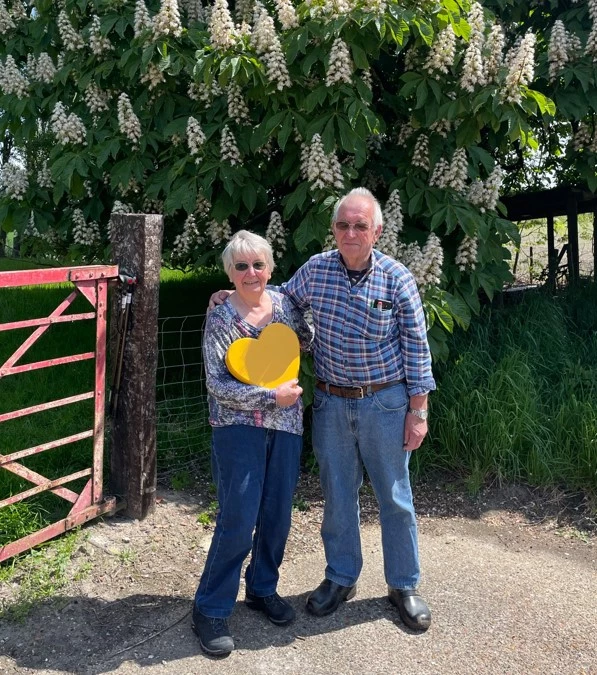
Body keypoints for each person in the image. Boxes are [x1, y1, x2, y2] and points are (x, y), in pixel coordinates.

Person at [210, 188, 436, 632]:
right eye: (342, 225)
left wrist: (419, 409)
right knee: (337, 495)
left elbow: (417, 347)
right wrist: (232, 291)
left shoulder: (397, 278)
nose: (350, 233)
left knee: (394, 496)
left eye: (360, 225)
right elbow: (277, 297)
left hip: (385, 402)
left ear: (378, 230)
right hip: (332, 402)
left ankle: (403, 585)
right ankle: (341, 577)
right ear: (333, 229)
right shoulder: (316, 270)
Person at [193, 230, 313, 657]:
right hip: (236, 427)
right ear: (229, 271)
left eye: (257, 264)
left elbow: (306, 339)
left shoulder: (285, 304)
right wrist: (269, 397)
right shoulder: (222, 317)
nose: (250, 273)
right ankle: (210, 607)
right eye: (240, 266)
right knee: (239, 518)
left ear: (270, 267)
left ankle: (262, 588)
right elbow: (217, 384)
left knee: (277, 513)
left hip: (287, 427)